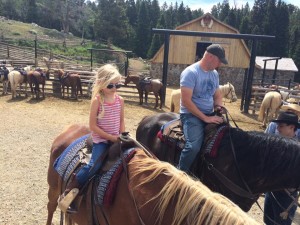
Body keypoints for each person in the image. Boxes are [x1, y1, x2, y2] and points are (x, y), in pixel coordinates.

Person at [61, 64, 125, 213]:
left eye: (118, 85)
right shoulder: (97, 100)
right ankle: (69, 192)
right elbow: (93, 126)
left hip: (116, 138)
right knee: (94, 165)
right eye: (110, 85)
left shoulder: (120, 100)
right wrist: (111, 137)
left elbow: (121, 120)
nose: (114, 88)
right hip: (101, 140)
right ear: (102, 84)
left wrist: (122, 134)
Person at [179, 44, 227, 172]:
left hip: (210, 113)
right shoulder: (190, 73)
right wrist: (205, 118)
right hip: (190, 115)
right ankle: (181, 174)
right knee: (193, 146)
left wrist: (218, 106)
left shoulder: (214, 74)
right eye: (219, 61)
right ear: (210, 57)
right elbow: (186, 101)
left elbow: (217, 95)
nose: (220, 64)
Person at [264, 111, 299, 225]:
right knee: (268, 220)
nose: (277, 128)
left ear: (292, 127)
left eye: (281, 126)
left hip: (286, 196)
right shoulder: (275, 143)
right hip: (271, 190)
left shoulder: (297, 150)